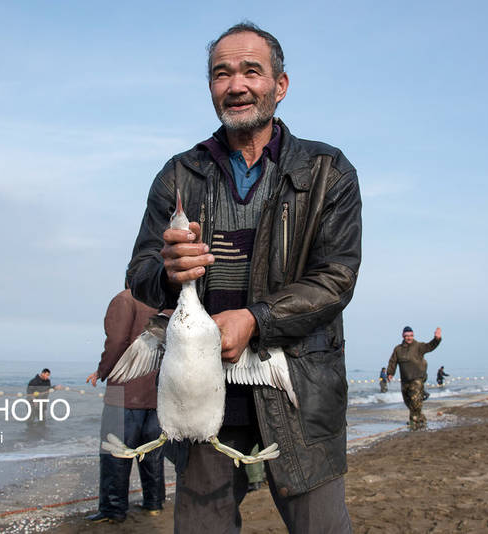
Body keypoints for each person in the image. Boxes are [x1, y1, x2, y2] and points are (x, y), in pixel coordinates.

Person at [124, 22, 361, 533]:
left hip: (300, 392)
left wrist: (256, 320)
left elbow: (336, 278)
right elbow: (139, 273)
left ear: (280, 85)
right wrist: (167, 275)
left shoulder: (327, 171)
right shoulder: (177, 174)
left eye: (252, 71)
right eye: (221, 73)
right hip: (197, 399)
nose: (236, 85)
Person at [85, 289, 166, 523]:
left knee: (115, 454)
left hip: (125, 392)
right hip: (157, 392)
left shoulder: (125, 299)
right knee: (152, 454)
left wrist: (102, 371)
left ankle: (113, 510)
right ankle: (154, 503)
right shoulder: (163, 301)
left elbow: (117, 341)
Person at [386, 326, 442, 431]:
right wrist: (390, 373)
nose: (409, 338)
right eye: (407, 336)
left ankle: (413, 423)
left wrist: (437, 339)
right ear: (403, 336)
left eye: (411, 336)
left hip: (417, 378)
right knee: (408, 402)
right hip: (405, 380)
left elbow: (430, 346)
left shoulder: (419, 346)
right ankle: (421, 419)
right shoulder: (398, 349)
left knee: (415, 401)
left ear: (413, 335)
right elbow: (393, 362)